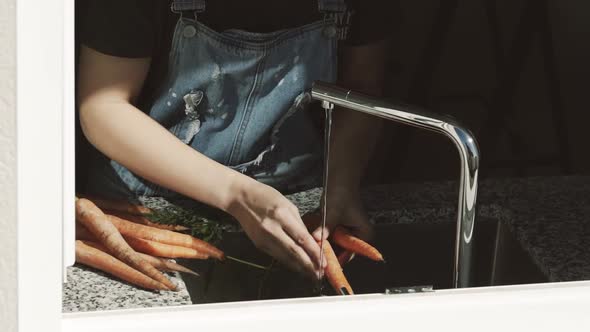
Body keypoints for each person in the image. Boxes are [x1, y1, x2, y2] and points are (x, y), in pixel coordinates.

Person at [77, 0, 394, 281]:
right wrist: (237, 194)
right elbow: (103, 107)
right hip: (149, 215)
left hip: (290, 212)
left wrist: (340, 188)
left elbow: (361, 88)